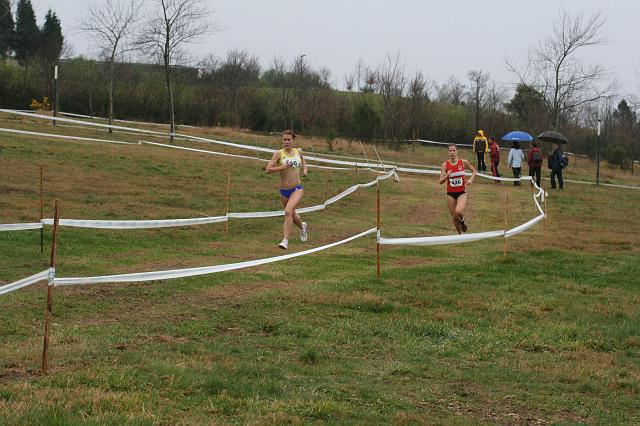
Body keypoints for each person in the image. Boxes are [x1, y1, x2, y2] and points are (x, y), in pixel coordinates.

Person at [266, 130, 309, 249]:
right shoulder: (278, 154)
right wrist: (282, 167)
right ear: (282, 141)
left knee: (288, 211)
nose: (286, 142)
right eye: (284, 139)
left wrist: (305, 169)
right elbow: (268, 169)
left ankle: (285, 240)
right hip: (284, 191)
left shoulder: (298, 151)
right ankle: (302, 227)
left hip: (297, 188)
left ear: (292, 140)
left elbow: (303, 159)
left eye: (288, 139)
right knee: (292, 214)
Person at [439, 143, 476, 234]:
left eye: (453, 150)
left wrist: (471, 179)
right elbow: (440, 181)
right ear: (448, 152)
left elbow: (474, 171)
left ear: (457, 151)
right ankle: (460, 235)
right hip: (450, 193)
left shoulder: (463, 162)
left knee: (459, 210)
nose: (452, 152)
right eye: (450, 151)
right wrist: (447, 176)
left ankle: (462, 221)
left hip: (461, 192)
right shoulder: (445, 165)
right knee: (455, 217)